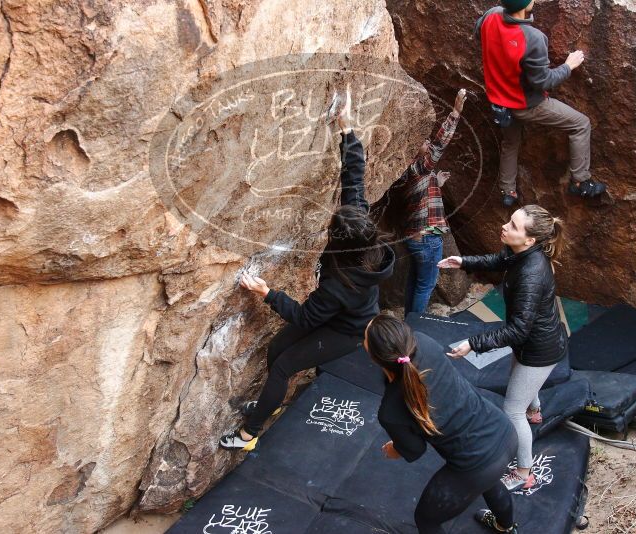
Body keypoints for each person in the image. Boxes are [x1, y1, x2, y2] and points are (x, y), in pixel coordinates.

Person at [219, 96, 395, 451]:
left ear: (340, 240)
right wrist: (346, 127)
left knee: (283, 365)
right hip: (339, 314)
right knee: (278, 347)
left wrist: (267, 293)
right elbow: (354, 178)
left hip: (347, 329)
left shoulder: (339, 284)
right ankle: (274, 398)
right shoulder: (360, 232)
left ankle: (249, 434)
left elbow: (304, 316)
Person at [438, 205, 567, 491]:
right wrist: (463, 260)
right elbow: (498, 260)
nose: (505, 226)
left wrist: (473, 344)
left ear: (530, 240)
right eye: (509, 220)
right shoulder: (521, 253)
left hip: (539, 349)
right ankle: (535, 411)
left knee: (512, 410)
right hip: (533, 342)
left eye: (513, 225)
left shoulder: (532, 273)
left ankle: (523, 472)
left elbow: (518, 329)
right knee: (520, 379)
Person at [366, 314, 519, 534]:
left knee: (426, 520)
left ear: (373, 357)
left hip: (478, 465)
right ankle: (506, 526)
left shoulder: (390, 410)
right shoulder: (424, 342)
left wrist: (394, 448)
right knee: (490, 480)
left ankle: (505, 525)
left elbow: (415, 449)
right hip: (504, 433)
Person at [474, 0, 607, 206]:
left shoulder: (491, 15)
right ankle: (581, 182)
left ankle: (507, 191)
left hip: (499, 102)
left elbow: (478, 35)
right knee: (581, 124)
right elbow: (544, 81)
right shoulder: (533, 38)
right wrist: (568, 66)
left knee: (510, 143)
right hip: (526, 105)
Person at [398, 89, 467, 317]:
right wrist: (455, 112)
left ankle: (409, 321)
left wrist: (437, 184)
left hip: (413, 237)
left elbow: (418, 200)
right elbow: (439, 144)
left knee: (415, 282)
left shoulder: (409, 173)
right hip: (427, 238)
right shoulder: (419, 167)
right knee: (425, 285)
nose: (427, 142)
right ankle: (414, 328)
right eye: (422, 142)